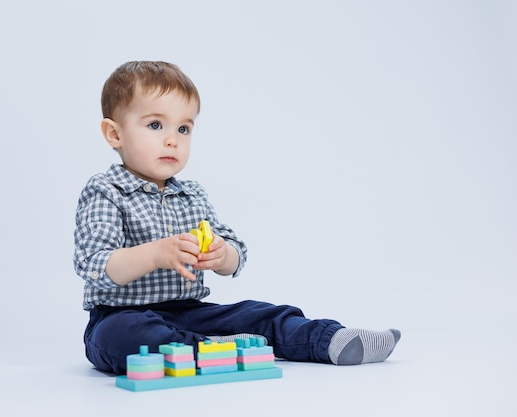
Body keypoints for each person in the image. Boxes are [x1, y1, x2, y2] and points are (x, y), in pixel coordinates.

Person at [73, 61, 400, 375]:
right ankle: (208, 349)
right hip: (120, 314)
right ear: (114, 134)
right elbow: (94, 263)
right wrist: (155, 253)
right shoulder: (106, 190)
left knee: (259, 313)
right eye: (156, 125)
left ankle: (330, 340)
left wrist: (221, 253)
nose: (173, 139)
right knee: (125, 335)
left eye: (184, 128)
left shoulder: (191, 194)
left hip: (190, 311)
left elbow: (235, 256)